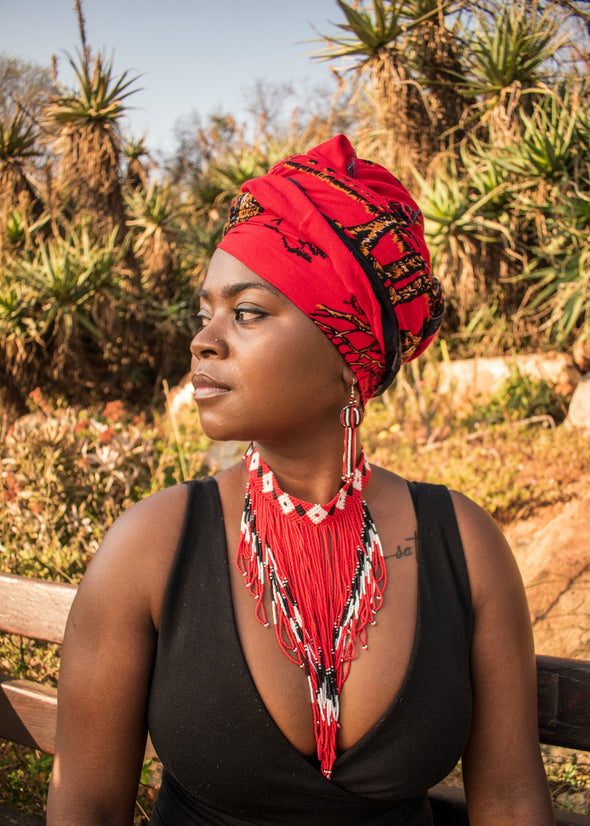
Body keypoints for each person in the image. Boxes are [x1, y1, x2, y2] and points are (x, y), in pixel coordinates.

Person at [47, 134, 555, 825]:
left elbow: (509, 800)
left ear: (350, 352)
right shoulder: (152, 546)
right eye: (206, 314)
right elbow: (87, 807)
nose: (203, 340)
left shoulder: (462, 546)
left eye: (247, 312)